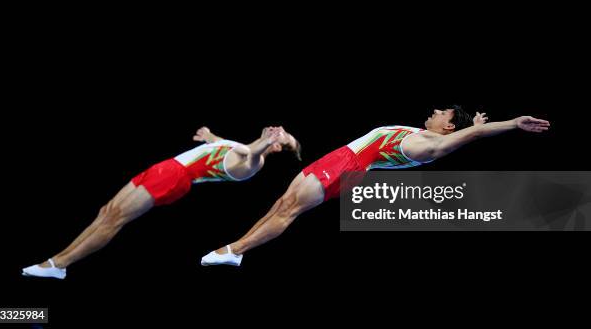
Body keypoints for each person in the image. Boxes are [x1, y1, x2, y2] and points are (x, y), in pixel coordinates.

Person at [201, 106, 550, 266]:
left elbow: (469, 135)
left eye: (443, 112)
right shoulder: (423, 134)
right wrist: (469, 124)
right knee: (282, 202)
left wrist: (511, 123)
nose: (436, 110)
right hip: (342, 161)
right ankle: (236, 249)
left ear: (446, 128)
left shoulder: (427, 143)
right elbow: (467, 132)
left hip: (346, 165)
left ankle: (237, 250)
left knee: (289, 209)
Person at [22, 126, 301, 279]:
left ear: (276, 148)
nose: (278, 129)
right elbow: (227, 144)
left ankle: (60, 263)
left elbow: (250, 153)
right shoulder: (239, 145)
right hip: (166, 167)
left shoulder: (254, 162)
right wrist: (209, 137)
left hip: (175, 177)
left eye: (282, 136)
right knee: (106, 211)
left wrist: (264, 144)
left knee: (116, 217)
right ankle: (56, 262)